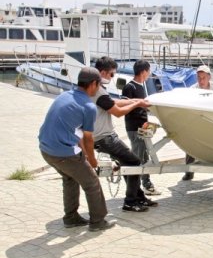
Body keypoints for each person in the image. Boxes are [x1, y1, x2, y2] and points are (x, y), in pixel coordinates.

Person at [38, 67, 115, 232]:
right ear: (93, 84)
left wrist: (85, 156)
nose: (100, 88)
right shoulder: (88, 106)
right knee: (92, 183)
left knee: (70, 178)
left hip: (46, 149)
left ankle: (71, 217)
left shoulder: (64, 95)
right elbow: (88, 138)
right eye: (100, 85)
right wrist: (92, 161)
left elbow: (76, 132)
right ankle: (98, 221)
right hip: (62, 153)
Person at [92, 56, 158, 212]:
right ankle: (130, 202)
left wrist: (136, 101)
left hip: (105, 136)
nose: (113, 77)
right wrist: (137, 102)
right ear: (103, 72)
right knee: (134, 163)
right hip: (105, 138)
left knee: (128, 163)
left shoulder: (97, 89)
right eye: (112, 74)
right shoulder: (98, 91)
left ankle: (138, 197)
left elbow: (115, 102)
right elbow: (118, 112)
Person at [122, 59, 161, 196]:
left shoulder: (141, 85)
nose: (149, 74)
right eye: (149, 71)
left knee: (144, 156)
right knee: (138, 158)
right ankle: (135, 189)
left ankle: (146, 184)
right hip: (134, 128)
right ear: (144, 71)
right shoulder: (130, 87)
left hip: (143, 127)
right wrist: (140, 105)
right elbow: (125, 107)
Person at [182, 65, 213, 181]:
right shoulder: (192, 89)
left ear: (209, 77)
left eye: (203, 77)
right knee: (190, 145)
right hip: (196, 121)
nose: (201, 80)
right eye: (199, 77)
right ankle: (189, 172)